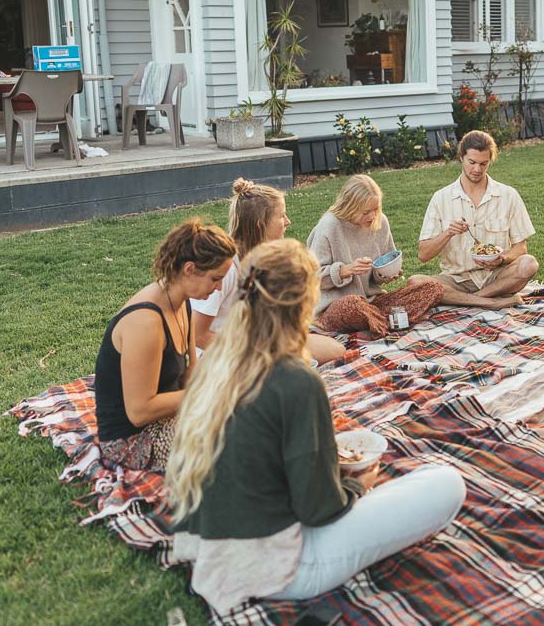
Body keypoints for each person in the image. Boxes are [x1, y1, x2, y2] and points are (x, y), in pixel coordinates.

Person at [167, 240, 466, 610]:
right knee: (445, 483)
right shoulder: (294, 379)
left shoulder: (217, 362)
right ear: (306, 301)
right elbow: (319, 509)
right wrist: (357, 484)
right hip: (280, 569)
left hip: (212, 553)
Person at [95, 219, 235, 471]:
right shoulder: (146, 322)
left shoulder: (183, 302)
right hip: (133, 440)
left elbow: (189, 374)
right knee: (241, 441)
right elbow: (139, 411)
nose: (219, 288)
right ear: (190, 269)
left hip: (169, 418)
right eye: (216, 278)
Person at [193, 178, 345, 365]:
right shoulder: (225, 268)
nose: (288, 221)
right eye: (281, 216)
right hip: (221, 354)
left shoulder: (264, 260)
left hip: (257, 343)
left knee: (336, 350)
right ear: (260, 224)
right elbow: (196, 335)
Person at [409, 131, 539, 309]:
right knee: (415, 282)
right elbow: (423, 255)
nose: (477, 169)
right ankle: (491, 302)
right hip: (456, 279)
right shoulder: (441, 198)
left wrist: (502, 259)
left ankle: (474, 299)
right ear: (461, 157)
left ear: (490, 161)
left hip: (497, 277)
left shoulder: (508, 195)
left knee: (529, 263)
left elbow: (521, 248)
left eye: (483, 164)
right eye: (472, 162)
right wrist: (448, 233)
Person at [307, 174, 444, 332]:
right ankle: (390, 320)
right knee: (352, 304)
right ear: (350, 206)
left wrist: (385, 274)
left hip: (373, 303)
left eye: (376, 209)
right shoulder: (330, 225)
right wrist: (346, 270)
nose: (372, 216)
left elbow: (381, 269)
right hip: (335, 307)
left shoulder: (380, 222)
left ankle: (378, 321)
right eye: (366, 212)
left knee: (433, 288)